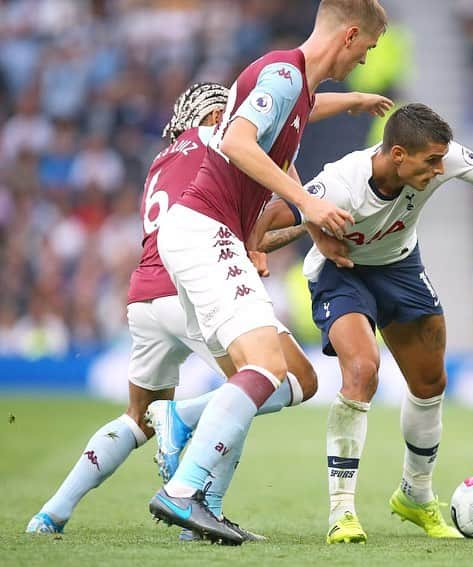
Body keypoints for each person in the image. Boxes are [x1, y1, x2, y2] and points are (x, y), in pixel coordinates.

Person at [25, 81, 390, 540]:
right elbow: (294, 109)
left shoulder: (165, 159)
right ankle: (202, 501)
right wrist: (351, 105)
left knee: (137, 417)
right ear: (220, 117)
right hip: (190, 286)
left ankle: (50, 515)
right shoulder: (225, 143)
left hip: (145, 294)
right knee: (276, 379)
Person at [253, 103, 473, 544]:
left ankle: (415, 495)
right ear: (397, 154)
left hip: (399, 267)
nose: (439, 169)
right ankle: (342, 511)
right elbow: (276, 215)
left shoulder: (439, 156)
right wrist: (255, 246)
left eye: (440, 160)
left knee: (431, 382)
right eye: (430, 162)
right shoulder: (342, 184)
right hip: (343, 271)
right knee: (362, 369)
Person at [148, 0, 389, 545]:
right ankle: (183, 488)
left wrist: (351, 101)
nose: (366, 60)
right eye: (367, 50)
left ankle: (200, 497)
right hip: (207, 228)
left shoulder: (295, 85)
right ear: (350, 35)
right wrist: (307, 202)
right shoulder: (283, 73)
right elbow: (236, 140)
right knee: (267, 369)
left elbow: (299, 108)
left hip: (203, 234)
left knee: (268, 377)